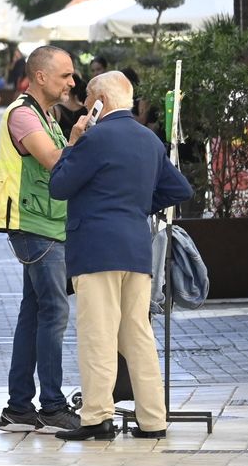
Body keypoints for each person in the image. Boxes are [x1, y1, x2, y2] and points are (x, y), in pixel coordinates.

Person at [50, 72, 192, 440]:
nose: (83, 106)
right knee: (137, 335)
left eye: (87, 100)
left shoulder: (93, 138)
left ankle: (97, 417)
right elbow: (180, 188)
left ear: (100, 101)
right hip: (135, 249)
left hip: (96, 248)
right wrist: (138, 206)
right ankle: (153, 420)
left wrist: (72, 141)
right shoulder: (148, 139)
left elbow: (60, 186)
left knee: (98, 334)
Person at [0, 44, 85, 435]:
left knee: (34, 313)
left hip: (46, 224)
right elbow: (53, 161)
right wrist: (78, 136)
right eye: (65, 75)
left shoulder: (44, 114)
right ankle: (51, 406)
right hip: (35, 225)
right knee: (54, 312)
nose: (72, 81)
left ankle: (18, 407)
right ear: (41, 76)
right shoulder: (23, 115)